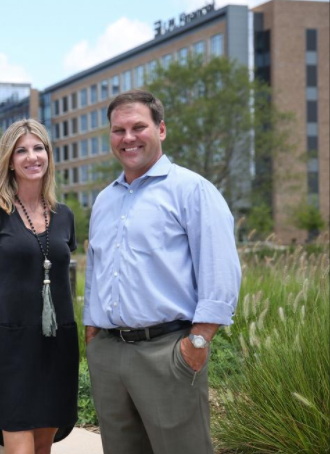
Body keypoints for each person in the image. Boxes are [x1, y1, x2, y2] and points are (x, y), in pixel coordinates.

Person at [84, 90, 241, 454]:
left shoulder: (193, 190)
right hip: (109, 354)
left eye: (139, 126)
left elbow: (220, 268)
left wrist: (198, 341)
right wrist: (93, 334)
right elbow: (96, 271)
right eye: (118, 130)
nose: (128, 137)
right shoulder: (105, 200)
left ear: (162, 129)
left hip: (168, 353)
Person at [0, 119, 79, 453]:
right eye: (22, 150)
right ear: (10, 160)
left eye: (38, 148)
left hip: (57, 346)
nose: (32, 157)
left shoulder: (65, 215)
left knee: (44, 447)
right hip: (12, 349)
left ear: (48, 155)